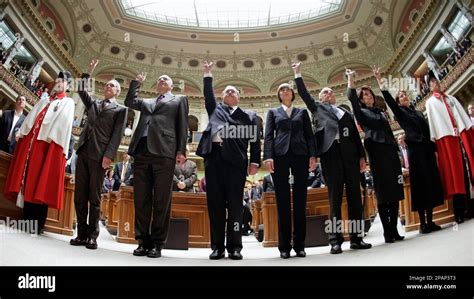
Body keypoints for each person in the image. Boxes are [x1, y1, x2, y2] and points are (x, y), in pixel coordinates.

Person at [294, 62, 371, 254]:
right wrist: (297, 74)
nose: (329, 94)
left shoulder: (345, 112)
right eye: (325, 93)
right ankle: (335, 240)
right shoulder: (317, 108)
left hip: (351, 157)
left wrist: (362, 156)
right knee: (334, 198)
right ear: (320, 98)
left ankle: (356, 238)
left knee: (355, 197)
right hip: (330, 155)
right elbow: (304, 94)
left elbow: (355, 136)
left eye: (330, 92)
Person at [196, 61, 261, 260]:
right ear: (222, 97)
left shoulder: (249, 115)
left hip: (236, 163)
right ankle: (217, 247)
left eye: (233, 92)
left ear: (239, 97)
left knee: (234, 207)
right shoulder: (216, 110)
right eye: (226, 92)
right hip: (214, 160)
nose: (230, 93)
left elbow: (255, 140)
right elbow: (208, 96)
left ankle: (235, 247)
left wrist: (255, 162)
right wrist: (208, 75)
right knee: (214, 205)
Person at [373, 66, 444, 234]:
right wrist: (380, 81)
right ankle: (422, 224)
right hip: (415, 152)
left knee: (431, 183)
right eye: (401, 96)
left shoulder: (418, 112)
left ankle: (430, 220)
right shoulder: (401, 113)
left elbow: (427, 130)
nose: (404, 96)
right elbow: (389, 101)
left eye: (405, 94)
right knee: (420, 186)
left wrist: (433, 148)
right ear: (398, 102)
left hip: (426, 150)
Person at [125, 71, 188, 258]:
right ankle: (142, 241)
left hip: (165, 152)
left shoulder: (179, 100)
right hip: (141, 150)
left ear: (171, 85)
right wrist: (136, 83)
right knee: (141, 198)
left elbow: (182, 125)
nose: (161, 80)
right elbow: (129, 102)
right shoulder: (147, 102)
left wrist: (181, 150)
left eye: (165, 79)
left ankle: (158, 243)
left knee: (161, 199)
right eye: (159, 78)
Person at [4, 71, 75, 234]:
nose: (58, 83)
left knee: (41, 183)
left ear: (67, 85)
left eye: (62, 81)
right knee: (29, 181)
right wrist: (23, 133)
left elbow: (62, 124)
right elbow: (30, 120)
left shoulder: (67, 102)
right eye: (57, 80)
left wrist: (48, 139)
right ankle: (27, 220)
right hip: (33, 145)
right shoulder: (44, 101)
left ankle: (38, 224)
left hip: (47, 145)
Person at [70, 59, 128, 250]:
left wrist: (109, 155)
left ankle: (93, 236)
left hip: (100, 155)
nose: (108, 86)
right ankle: (81, 234)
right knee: (79, 196)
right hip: (84, 150)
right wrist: (89, 71)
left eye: (113, 85)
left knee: (94, 197)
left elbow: (117, 134)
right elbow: (80, 90)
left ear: (117, 92)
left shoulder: (120, 110)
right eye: (107, 84)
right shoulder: (94, 103)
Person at [346, 67, 405, 244]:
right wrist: (350, 79)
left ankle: (394, 230)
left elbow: (388, 130)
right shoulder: (361, 113)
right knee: (384, 192)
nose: (368, 96)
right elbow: (352, 100)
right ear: (361, 100)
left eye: (369, 94)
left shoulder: (381, 112)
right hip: (377, 153)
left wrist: (398, 152)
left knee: (395, 192)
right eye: (364, 95)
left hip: (390, 152)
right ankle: (387, 232)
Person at [263, 82, 317, 259]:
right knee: (283, 201)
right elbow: (269, 136)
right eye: (281, 89)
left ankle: (300, 245)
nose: (285, 91)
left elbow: (310, 135)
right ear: (279, 95)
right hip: (280, 156)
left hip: (301, 155)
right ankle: (284, 246)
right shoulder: (272, 112)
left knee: (301, 199)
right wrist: (268, 157)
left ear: (293, 94)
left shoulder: (301, 112)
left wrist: (313, 155)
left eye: (288, 89)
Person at [425, 70, 474, 223]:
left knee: (466, 171)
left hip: (460, 136)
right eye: (432, 82)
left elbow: (461, 116)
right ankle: (459, 212)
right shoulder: (430, 102)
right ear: (429, 87)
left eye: (436, 80)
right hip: (446, 138)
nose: (436, 83)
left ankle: (471, 207)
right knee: (455, 175)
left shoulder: (451, 98)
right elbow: (434, 123)